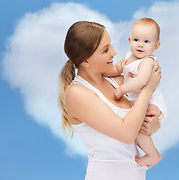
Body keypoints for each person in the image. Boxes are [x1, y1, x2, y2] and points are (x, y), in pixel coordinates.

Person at [58, 21, 162, 180]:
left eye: (111, 45)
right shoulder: (77, 93)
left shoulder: (118, 81)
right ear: (85, 61)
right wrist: (147, 90)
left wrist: (155, 123)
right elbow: (127, 133)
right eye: (106, 50)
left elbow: (141, 117)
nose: (114, 52)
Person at [104, 17, 167, 168]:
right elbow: (118, 69)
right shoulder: (127, 57)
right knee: (137, 126)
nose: (140, 44)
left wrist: (122, 90)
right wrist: (104, 72)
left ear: (156, 46)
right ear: (129, 40)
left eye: (146, 42)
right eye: (136, 39)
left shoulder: (147, 61)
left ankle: (153, 154)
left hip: (153, 102)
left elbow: (141, 81)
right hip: (139, 102)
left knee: (139, 130)